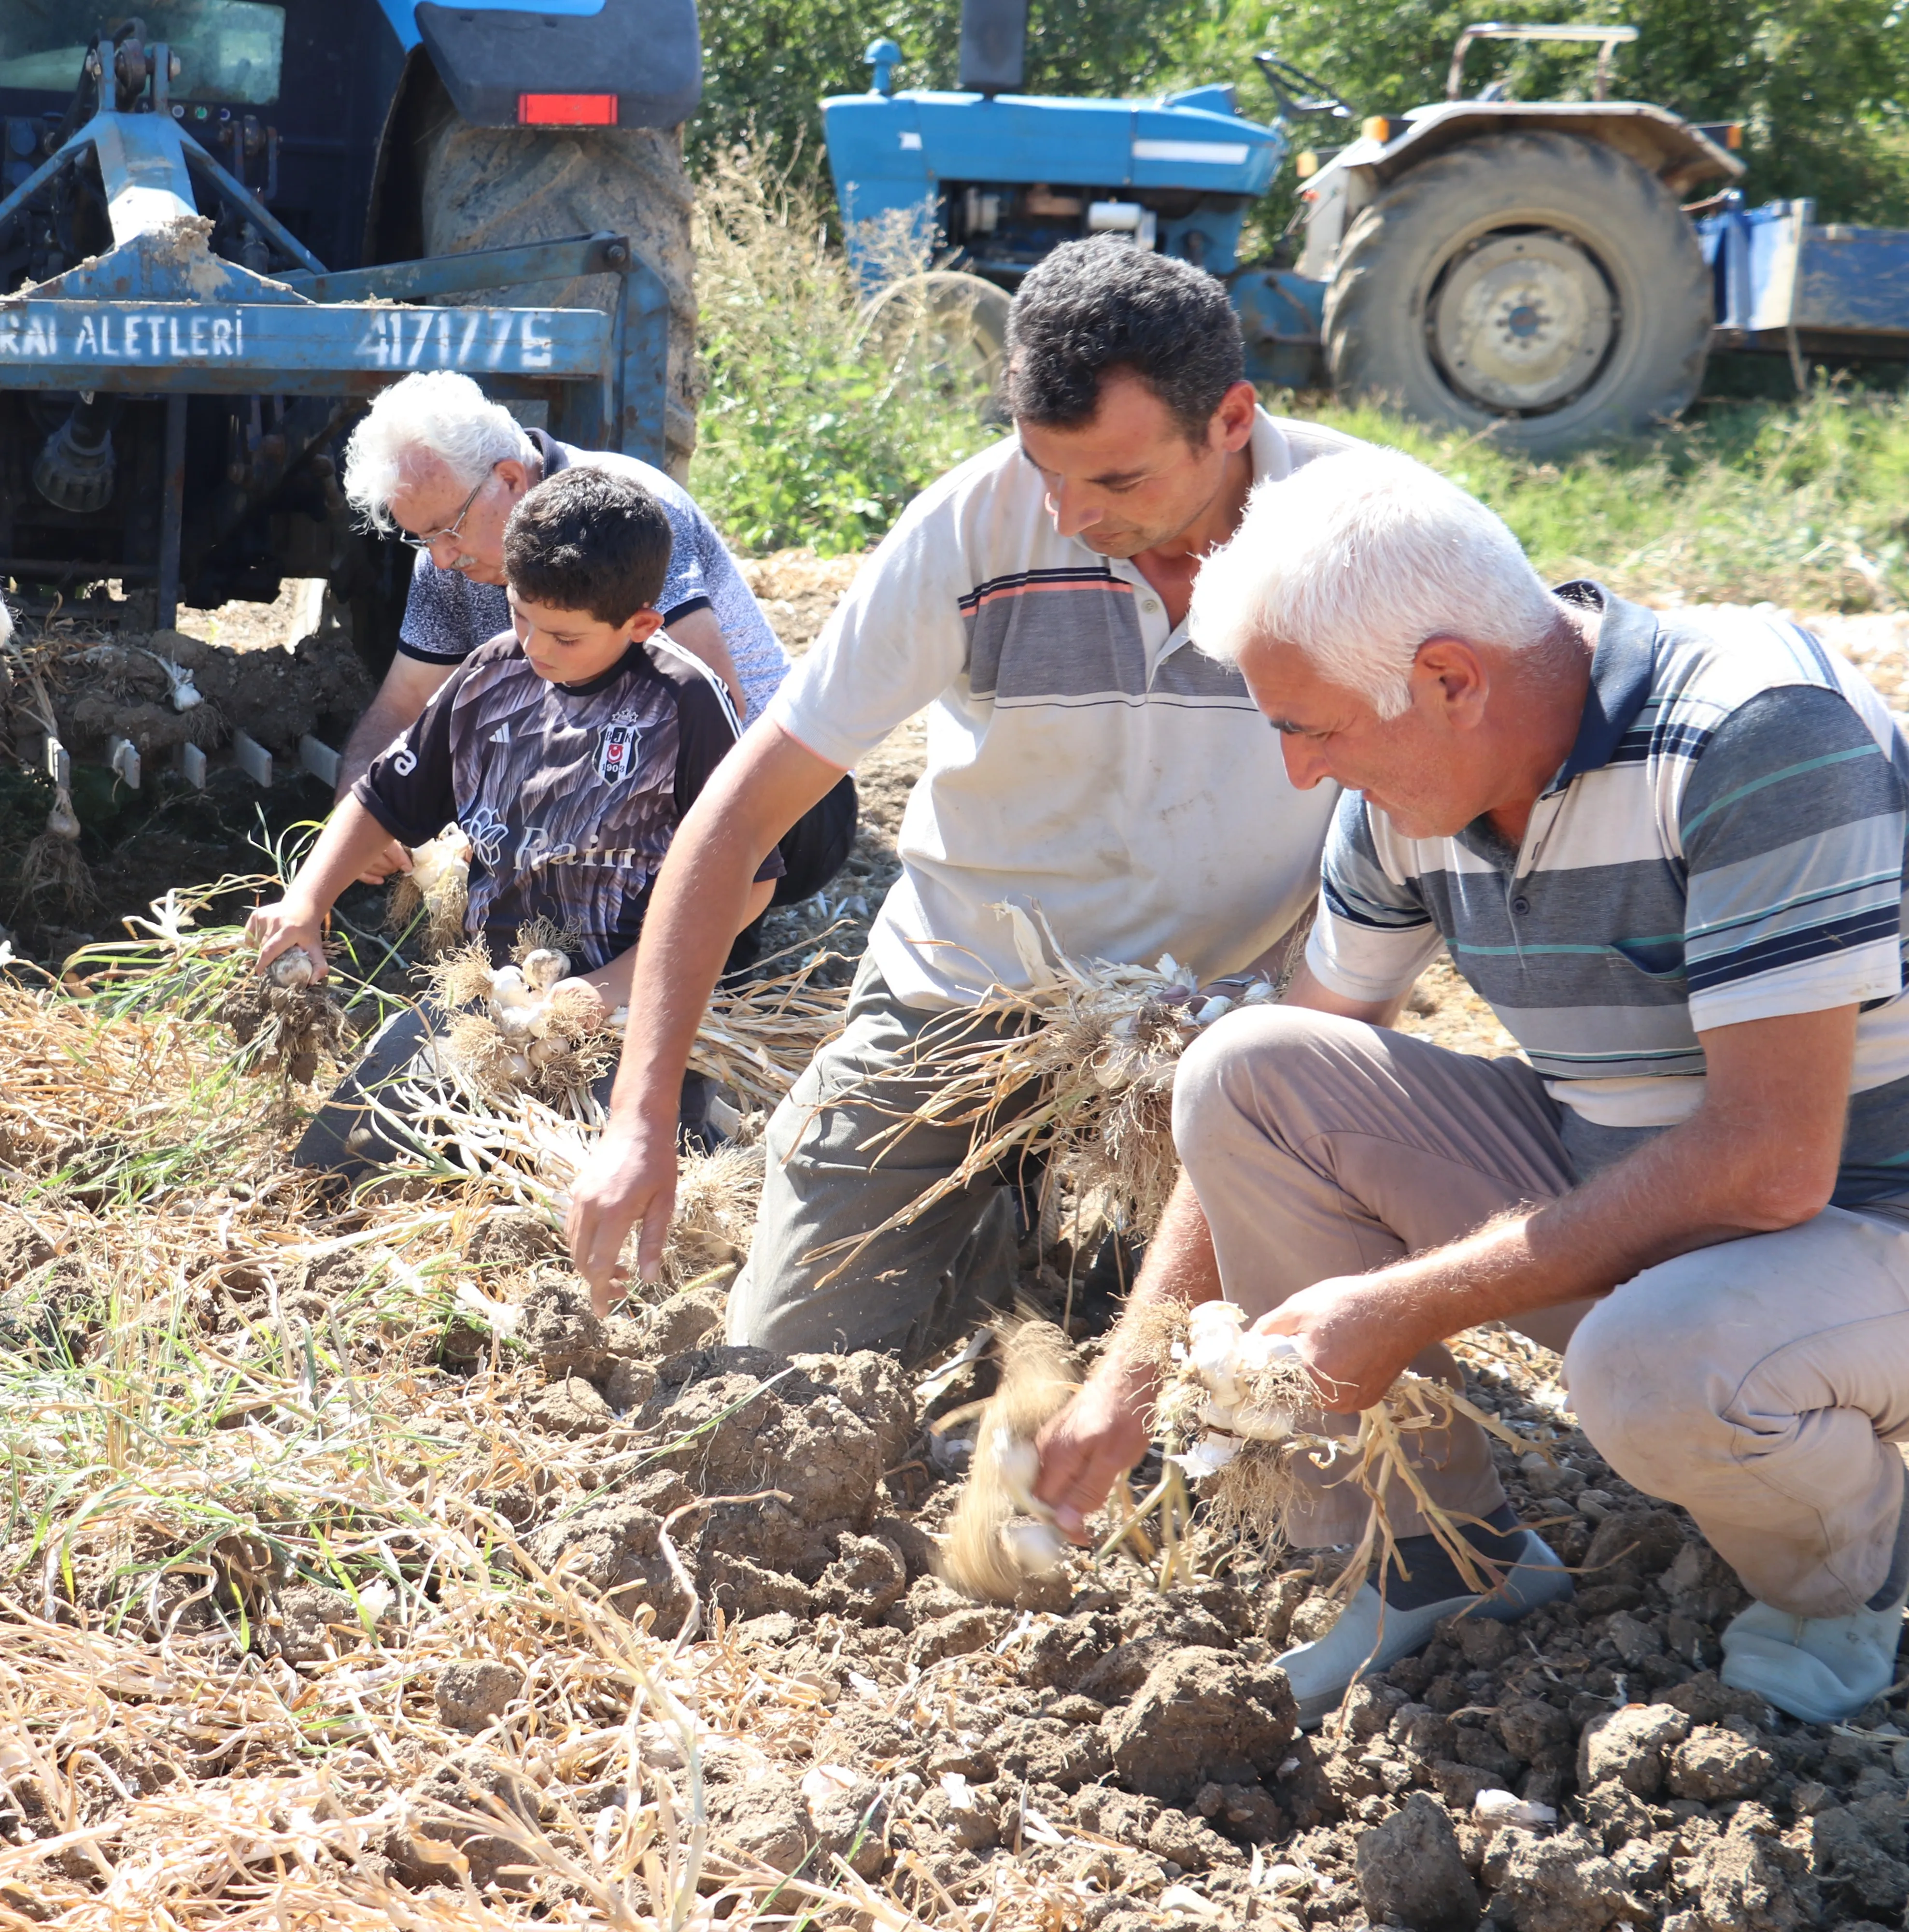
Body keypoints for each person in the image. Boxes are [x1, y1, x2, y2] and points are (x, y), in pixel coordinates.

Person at [1034, 444, 1909, 1731]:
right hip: (1648, 1210)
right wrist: (1132, 1369)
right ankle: (1436, 1557)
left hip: (1860, 1232)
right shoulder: (1409, 791)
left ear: (1450, 677)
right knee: (1245, 1070)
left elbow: (1773, 1163)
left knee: (1654, 1363)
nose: (1299, 773)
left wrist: (1396, 1306)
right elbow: (1299, 1045)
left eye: (1311, 728)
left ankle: (1854, 1580)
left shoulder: (1754, 739)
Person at [563, 236, 1365, 1355]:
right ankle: (985, 1209)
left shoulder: (1358, 530)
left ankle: (1058, 1224)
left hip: (1229, 1033)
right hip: (962, 1009)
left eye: (1118, 480)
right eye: (1048, 469)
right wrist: (639, 1121)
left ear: (1229, 420)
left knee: (1267, 1382)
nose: (1071, 513)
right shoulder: (971, 526)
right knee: (787, 1374)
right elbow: (739, 813)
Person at [248, 467, 780, 1175]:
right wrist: (306, 901)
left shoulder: (683, 702)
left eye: (564, 637)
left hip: (621, 1014)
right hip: (489, 1007)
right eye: (519, 613)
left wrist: (609, 989)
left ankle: (707, 1122)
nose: (534, 647)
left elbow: (750, 880)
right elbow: (382, 797)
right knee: (326, 1169)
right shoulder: (486, 676)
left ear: (642, 624)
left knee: (592, 1187)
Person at [336, 370, 855, 911]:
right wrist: (358, 804)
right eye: (421, 539)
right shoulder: (449, 562)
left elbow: (711, 708)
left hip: (781, 796)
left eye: (448, 530)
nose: (440, 558)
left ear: (511, 479)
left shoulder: (625, 516)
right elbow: (403, 703)